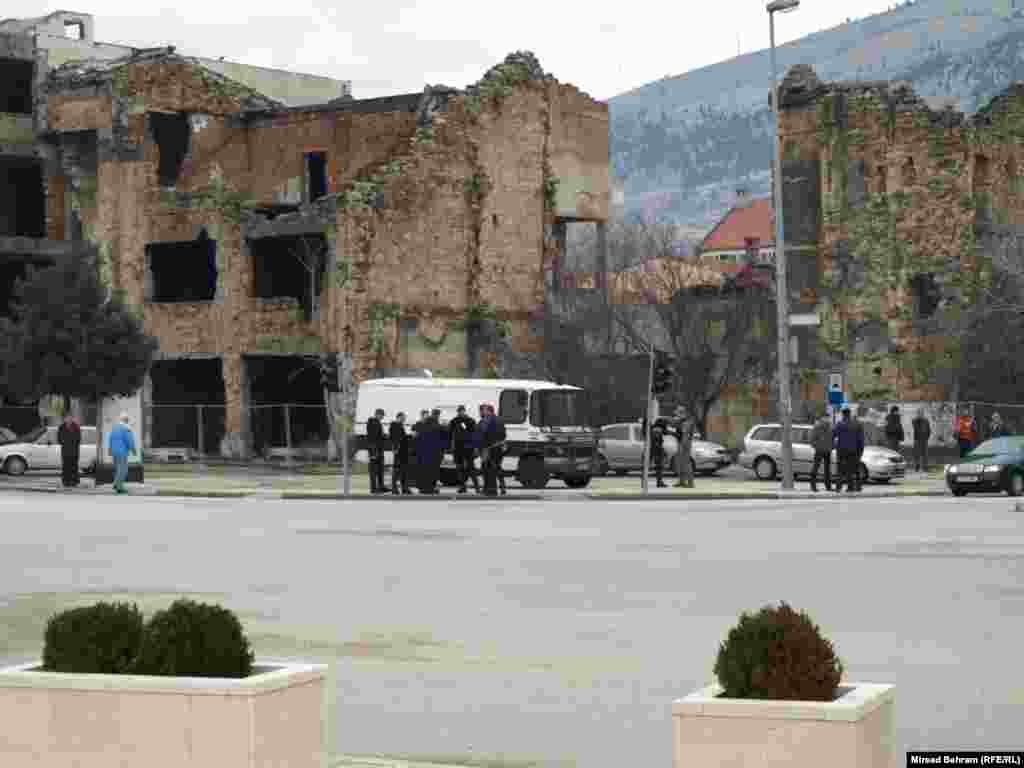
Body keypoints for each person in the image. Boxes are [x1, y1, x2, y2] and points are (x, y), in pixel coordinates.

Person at [833, 407, 864, 493]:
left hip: (841, 450)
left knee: (840, 469)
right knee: (851, 469)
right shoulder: (857, 424)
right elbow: (861, 439)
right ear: (850, 414)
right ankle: (850, 487)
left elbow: (834, 434)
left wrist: (835, 445)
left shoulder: (839, 424)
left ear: (843, 414)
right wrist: (860, 451)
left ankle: (838, 487)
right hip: (853, 450)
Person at [449, 404, 479, 494]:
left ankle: (476, 487)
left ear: (464, 411)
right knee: (460, 469)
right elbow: (450, 434)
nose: (460, 412)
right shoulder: (454, 421)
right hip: (459, 448)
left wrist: (475, 447)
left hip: (467, 448)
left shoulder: (469, 421)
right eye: (459, 411)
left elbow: (475, 434)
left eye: (461, 411)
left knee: (470, 468)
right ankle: (463, 486)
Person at [108, 412, 137, 494]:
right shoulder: (126, 428)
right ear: (126, 420)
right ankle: (118, 486)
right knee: (123, 470)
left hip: (114, 452)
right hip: (122, 452)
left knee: (117, 469)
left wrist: (110, 450)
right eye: (127, 420)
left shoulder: (114, 428)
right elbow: (129, 440)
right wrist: (133, 450)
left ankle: (117, 485)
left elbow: (110, 439)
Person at [808, 412, 833, 492]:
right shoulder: (817, 427)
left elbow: (831, 438)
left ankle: (828, 486)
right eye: (826, 418)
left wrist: (832, 446)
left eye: (828, 418)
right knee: (815, 468)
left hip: (827, 450)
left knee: (827, 469)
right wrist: (817, 446)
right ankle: (813, 485)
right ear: (822, 418)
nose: (828, 419)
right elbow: (812, 439)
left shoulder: (830, 427)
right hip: (819, 450)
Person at [58, 411, 82, 488]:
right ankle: (66, 481)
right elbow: (59, 439)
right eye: (67, 418)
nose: (68, 419)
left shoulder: (76, 427)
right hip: (65, 450)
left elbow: (78, 439)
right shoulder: (61, 427)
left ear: (72, 418)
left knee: (74, 466)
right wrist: (65, 442)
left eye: (70, 417)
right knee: (66, 466)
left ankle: (74, 481)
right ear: (64, 419)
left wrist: (72, 442)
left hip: (74, 450)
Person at [672, 406, 695, 489]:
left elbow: (686, 434)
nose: (677, 415)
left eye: (678, 413)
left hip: (685, 443)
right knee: (680, 463)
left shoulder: (688, 421)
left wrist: (682, 445)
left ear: (683, 413)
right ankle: (681, 481)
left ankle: (690, 483)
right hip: (680, 443)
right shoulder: (681, 421)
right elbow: (676, 428)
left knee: (686, 463)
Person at [389, 411, 411, 495]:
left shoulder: (399, 426)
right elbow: (395, 439)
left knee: (403, 470)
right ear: (399, 417)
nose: (404, 419)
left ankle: (404, 488)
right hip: (399, 451)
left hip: (402, 451)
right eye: (403, 418)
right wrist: (395, 448)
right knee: (397, 470)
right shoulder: (395, 426)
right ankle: (395, 488)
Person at [366, 408, 388, 494]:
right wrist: (383, 436)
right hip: (374, 449)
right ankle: (374, 488)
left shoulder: (377, 423)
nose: (382, 417)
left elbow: (377, 435)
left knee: (380, 469)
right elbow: (373, 437)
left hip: (378, 448)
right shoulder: (372, 422)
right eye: (382, 415)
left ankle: (381, 486)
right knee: (374, 470)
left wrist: (383, 436)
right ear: (377, 414)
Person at [911, 409, 932, 473]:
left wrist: (927, 437)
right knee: (917, 454)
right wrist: (918, 419)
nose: (921, 414)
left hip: (924, 439)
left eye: (922, 413)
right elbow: (915, 427)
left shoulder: (926, 421)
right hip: (917, 439)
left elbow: (929, 430)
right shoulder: (915, 420)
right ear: (917, 414)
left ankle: (925, 467)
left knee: (925, 454)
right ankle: (917, 467)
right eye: (919, 413)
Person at [649, 418, 667, 488]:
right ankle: (659, 482)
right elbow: (656, 441)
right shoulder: (658, 430)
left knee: (658, 467)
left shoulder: (654, 429)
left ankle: (659, 482)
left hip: (654, 449)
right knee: (659, 467)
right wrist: (661, 450)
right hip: (657, 450)